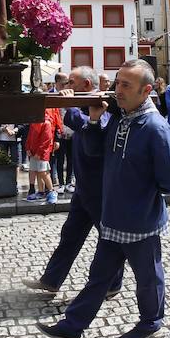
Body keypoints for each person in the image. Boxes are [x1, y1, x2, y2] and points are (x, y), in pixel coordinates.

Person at [36, 60, 170, 338]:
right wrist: (93, 120)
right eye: (118, 83)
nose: (118, 90)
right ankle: (72, 326)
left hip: (140, 221)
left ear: (147, 91)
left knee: (148, 276)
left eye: (126, 85)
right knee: (99, 277)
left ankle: (151, 321)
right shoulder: (120, 117)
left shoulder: (155, 127)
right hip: (113, 216)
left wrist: (140, 190)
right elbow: (94, 151)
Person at [23, 66, 123, 297]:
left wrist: (72, 107)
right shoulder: (83, 103)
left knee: (108, 238)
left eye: (71, 83)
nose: (66, 87)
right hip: (83, 187)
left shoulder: (101, 103)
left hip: (100, 188)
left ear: (86, 86)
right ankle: (51, 280)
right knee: (70, 235)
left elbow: (93, 133)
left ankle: (113, 283)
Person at [25, 107, 62, 204]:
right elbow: (29, 136)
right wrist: (28, 148)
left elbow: (46, 140)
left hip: (42, 153)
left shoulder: (47, 123)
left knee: (43, 172)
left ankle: (51, 191)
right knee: (34, 171)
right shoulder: (34, 122)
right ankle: (40, 191)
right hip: (33, 152)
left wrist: (39, 153)